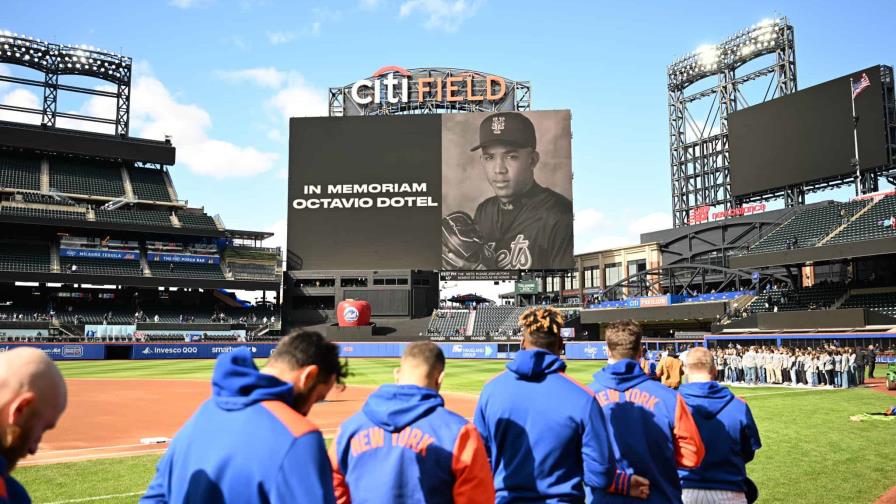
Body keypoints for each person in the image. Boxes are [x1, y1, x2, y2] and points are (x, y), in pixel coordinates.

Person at [141, 331, 348, 503]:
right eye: (317, 397)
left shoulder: (202, 414)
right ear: (308, 376)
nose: (309, 408)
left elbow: (154, 499)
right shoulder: (300, 436)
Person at [474, 307, 649, 502]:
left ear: (522, 343)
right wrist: (623, 483)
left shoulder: (491, 390)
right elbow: (599, 475)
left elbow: (480, 462)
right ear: (561, 344)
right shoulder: (583, 397)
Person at [331, 342, 494, 503]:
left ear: (397, 374)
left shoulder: (348, 429)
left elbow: (333, 493)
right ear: (440, 379)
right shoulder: (461, 433)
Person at [588, 321, 704, 504]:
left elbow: (572, 458)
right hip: (659, 496)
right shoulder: (671, 399)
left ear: (608, 351)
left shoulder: (586, 397)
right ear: (641, 352)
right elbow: (692, 456)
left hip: (604, 498)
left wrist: (617, 481)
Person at [444, 112, 573, 270]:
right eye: (490, 157)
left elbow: (561, 284)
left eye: (511, 156)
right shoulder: (484, 211)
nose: (499, 170)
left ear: (532, 160)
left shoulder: (560, 217)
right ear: (482, 161)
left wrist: (479, 274)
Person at [678, 348, 762, 504]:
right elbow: (748, 452)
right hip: (730, 489)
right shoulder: (738, 405)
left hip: (683, 489)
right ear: (715, 369)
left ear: (684, 369)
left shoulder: (669, 403)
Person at [0, 347, 68, 504]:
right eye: (41, 430)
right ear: (19, 409)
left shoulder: (11, 490)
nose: (33, 449)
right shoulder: (12, 495)